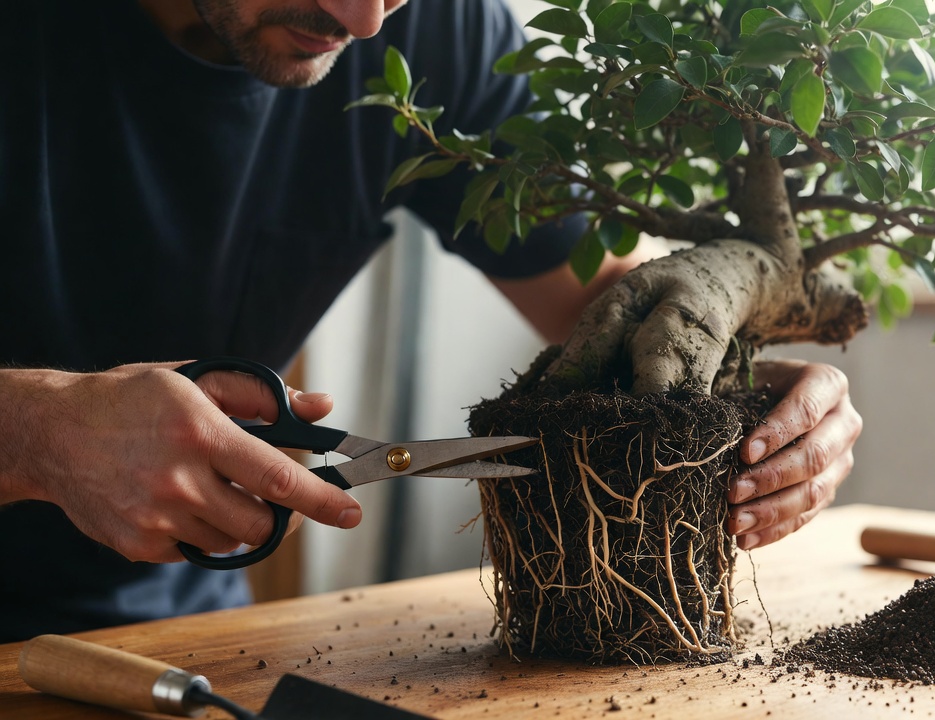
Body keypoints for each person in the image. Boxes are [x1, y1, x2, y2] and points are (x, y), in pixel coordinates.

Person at [0, 0, 862, 643]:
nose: (365, 20)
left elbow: (605, 308)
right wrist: (35, 431)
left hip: (176, 635)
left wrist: (750, 387)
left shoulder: (436, 32)